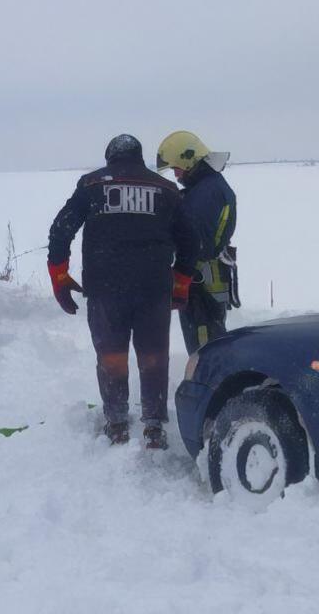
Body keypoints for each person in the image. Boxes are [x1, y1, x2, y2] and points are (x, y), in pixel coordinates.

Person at [47, 134, 196, 449]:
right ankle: (154, 427)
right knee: (153, 355)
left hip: (105, 288)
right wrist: (181, 284)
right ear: (140, 158)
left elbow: (61, 229)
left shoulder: (91, 184)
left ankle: (116, 423)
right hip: (153, 288)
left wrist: (58, 275)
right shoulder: (166, 189)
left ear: (110, 157)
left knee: (111, 354)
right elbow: (189, 241)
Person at [156, 130, 239, 354]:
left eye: (176, 168)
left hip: (201, 280)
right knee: (209, 337)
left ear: (188, 160)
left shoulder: (206, 193)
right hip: (206, 277)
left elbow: (195, 242)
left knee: (204, 344)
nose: (175, 175)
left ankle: (208, 385)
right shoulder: (207, 187)